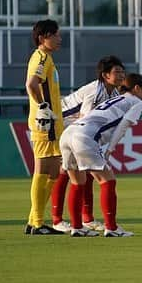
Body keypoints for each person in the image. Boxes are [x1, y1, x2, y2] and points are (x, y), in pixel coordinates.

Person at [58, 73, 142, 237]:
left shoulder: (117, 99)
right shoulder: (137, 102)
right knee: (108, 180)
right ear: (137, 88)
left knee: (77, 182)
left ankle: (77, 227)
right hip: (85, 137)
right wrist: (109, 150)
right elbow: (123, 126)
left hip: (69, 133)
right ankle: (112, 228)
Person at [50, 56, 126, 233]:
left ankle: (86, 219)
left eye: (123, 71)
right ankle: (57, 220)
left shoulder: (114, 93)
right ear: (105, 75)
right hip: (61, 123)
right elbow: (85, 119)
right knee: (66, 171)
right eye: (117, 72)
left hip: (76, 129)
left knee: (86, 172)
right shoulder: (95, 91)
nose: (122, 75)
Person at [24, 19, 66, 235]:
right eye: (56, 35)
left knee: (53, 171)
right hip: (45, 124)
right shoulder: (41, 57)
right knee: (43, 169)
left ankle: (34, 220)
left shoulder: (47, 58)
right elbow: (31, 84)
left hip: (52, 123)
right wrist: (43, 107)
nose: (60, 39)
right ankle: (37, 223)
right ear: (43, 37)